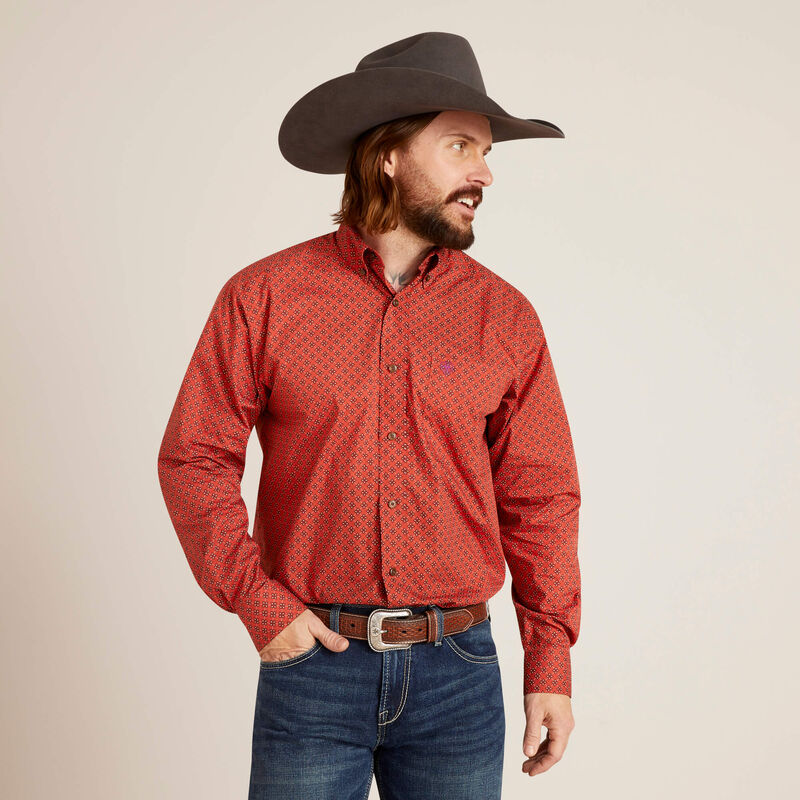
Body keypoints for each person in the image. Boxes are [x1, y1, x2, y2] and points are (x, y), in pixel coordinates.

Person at [157, 30, 581, 799]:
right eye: (460, 146)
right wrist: (260, 604)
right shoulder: (265, 297)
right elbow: (195, 457)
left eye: (487, 152)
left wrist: (550, 663)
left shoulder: (505, 318)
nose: (484, 173)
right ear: (387, 154)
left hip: (460, 675)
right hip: (313, 666)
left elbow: (541, 497)